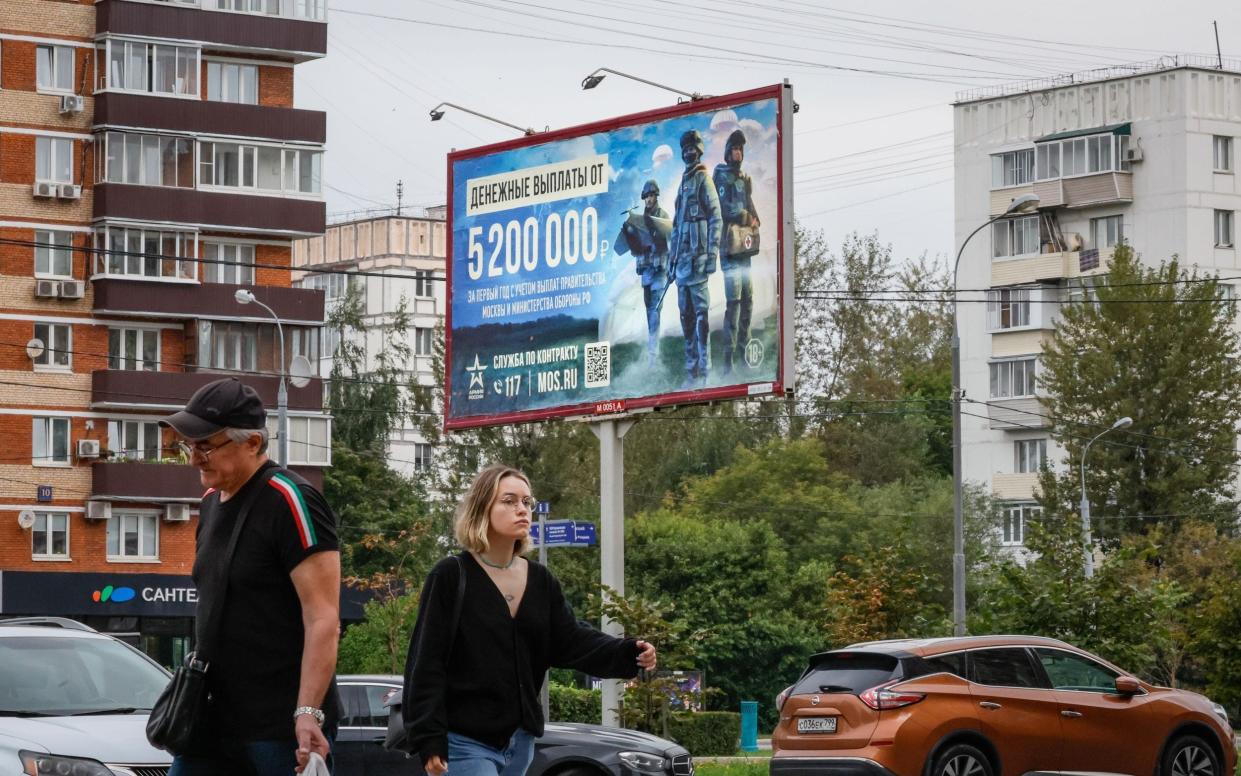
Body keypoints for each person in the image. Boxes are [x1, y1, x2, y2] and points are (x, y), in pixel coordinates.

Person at [403, 464, 657, 776]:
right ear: (482, 508)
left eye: (527, 502)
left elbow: (571, 641)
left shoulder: (540, 580)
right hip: (463, 742)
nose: (522, 510)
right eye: (508, 501)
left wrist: (628, 652)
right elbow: (426, 662)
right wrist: (428, 738)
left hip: (519, 742)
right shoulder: (451, 575)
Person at [161, 377, 341, 776]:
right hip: (210, 717)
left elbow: (323, 618)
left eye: (206, 445)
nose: (194, 458)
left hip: (278, 726)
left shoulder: (292, 500)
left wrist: (308, 712)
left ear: (253, 443)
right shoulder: (210, 503)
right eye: (189, 445)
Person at [669, 129, 722, 389]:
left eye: (693, 148)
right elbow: (677, 227)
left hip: (699, 262)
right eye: (685, 149)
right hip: (681, 267)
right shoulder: (682, 184)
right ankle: (692, 373)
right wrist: (670, 262)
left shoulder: (704, 180)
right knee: (686, 318)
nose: (689, 152)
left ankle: (706, 370)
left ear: (699, 150)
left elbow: (716, 218)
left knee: (702, 317)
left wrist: (712, 254)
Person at [713, 129, 761, 375]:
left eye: (741, 149)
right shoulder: (720, 177)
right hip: (729, 248)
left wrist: (755, 218)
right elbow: (725, 208)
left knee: (748, 300)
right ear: (727, 152)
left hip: (744, 249)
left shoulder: (745, 178)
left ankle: (744, 352)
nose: (738, 153)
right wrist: (745, 216)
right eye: (734, 148)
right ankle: (728, 360)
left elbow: (749, 203)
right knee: (733, 303)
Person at [615, 179, 673, 366]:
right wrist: (630, 232)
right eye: (646, 196)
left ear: (656, 196)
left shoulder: (662, 217)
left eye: (651, 196)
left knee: (655, 310)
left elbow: (671, 241)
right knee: (650, 312)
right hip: (647, 272)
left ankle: (653, 356)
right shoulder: (639, 221)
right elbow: (634, 249)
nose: (649, 199)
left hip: (659, 271)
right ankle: (652, 350)